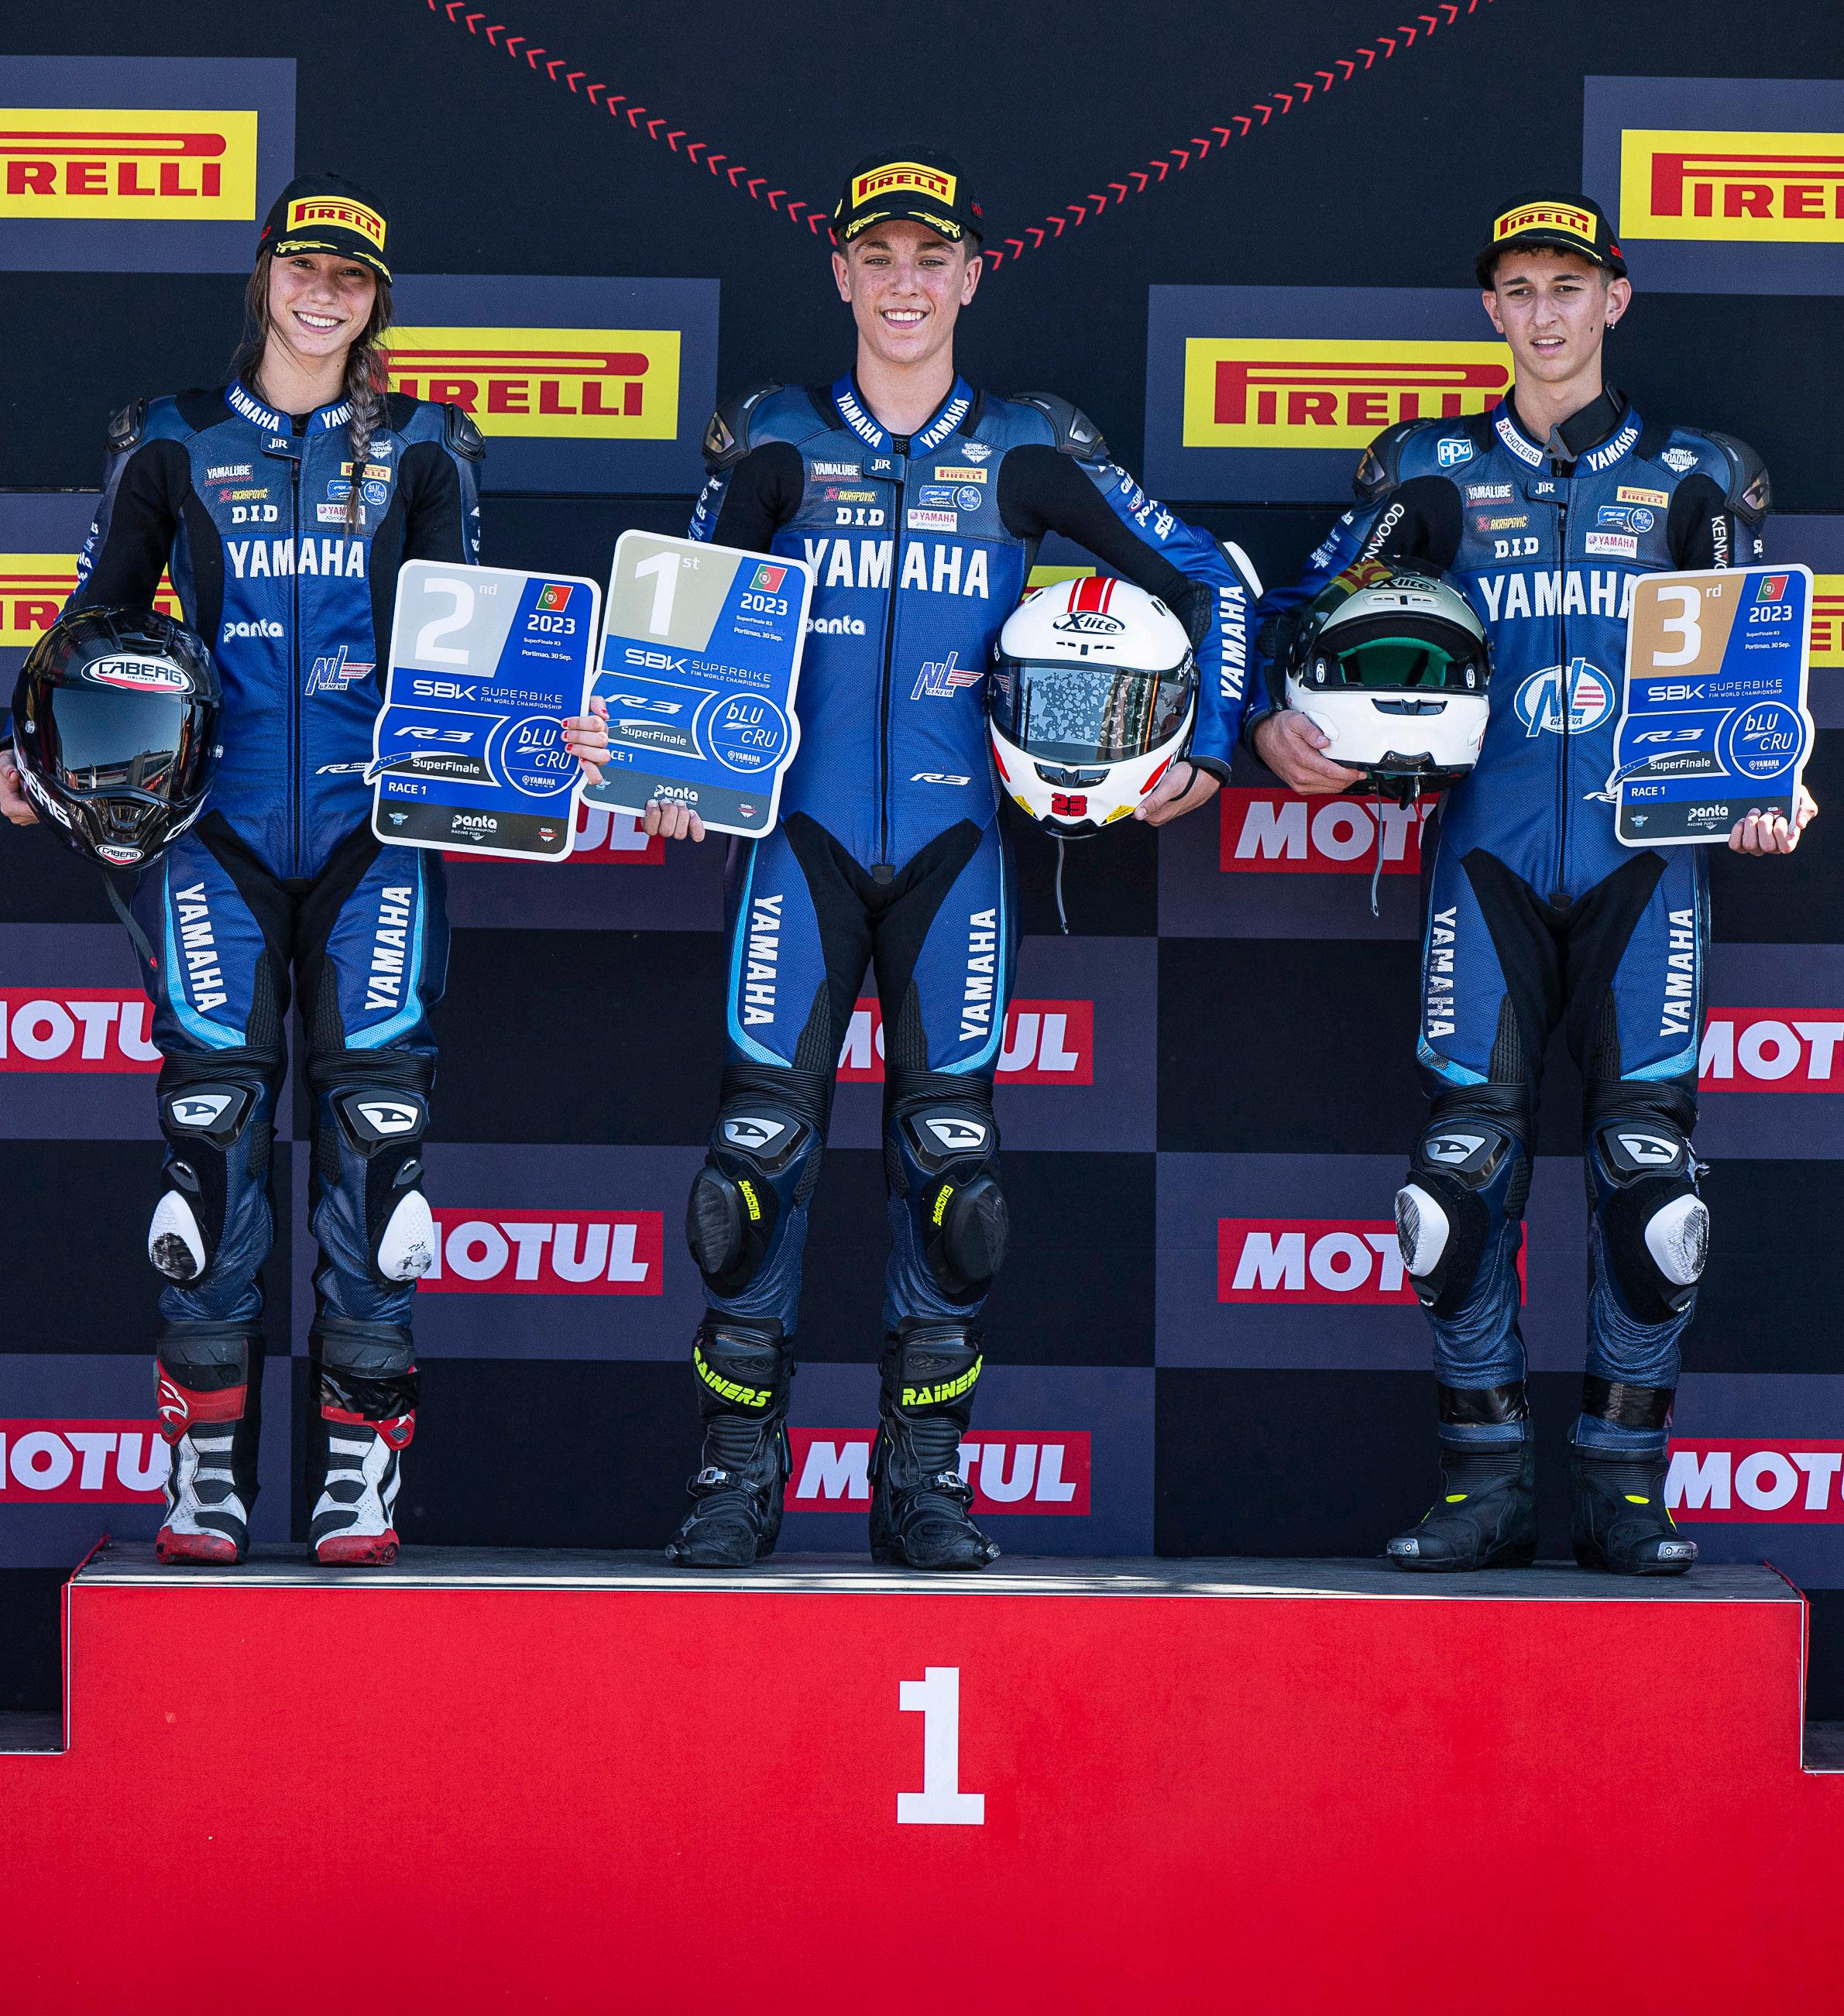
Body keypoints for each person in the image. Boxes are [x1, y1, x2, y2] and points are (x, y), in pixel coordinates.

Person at [657, 149, 1259, 1569]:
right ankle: (735, 1482)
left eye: (931, 260)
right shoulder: (776, 439)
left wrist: (1211, 746)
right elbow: (674, 621)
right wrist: (662, 759)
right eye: (878, 257)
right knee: (748, 1172)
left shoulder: (1027, 447)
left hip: (954, 850)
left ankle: (922, 1486)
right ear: (839, 272)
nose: (904, 283)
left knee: (955, 1176)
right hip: (794, 843)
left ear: (972, 278)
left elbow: (1209, 580)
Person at [0, 172, 610, 1567]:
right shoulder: (174, 438)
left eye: (349, 279)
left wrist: (553, 733)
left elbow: (484, 641)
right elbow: (93, 625)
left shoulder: (427, 448)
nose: (321, 296)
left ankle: (358, 1474)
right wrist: (22, 748)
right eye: (301, 269)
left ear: (375, 302)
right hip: (204, 827)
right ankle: (204, 1475)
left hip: (377, 828)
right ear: (264, 276)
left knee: (378, 1147)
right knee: (209, 1137)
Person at [1245, 191, 1815, 1574]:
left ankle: (1624, 1487)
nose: (1543, 312)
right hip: (1484, 861)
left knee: (1651, 1191)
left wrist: (1776, 782)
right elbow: (1302, 615)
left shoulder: (1693, 477)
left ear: (1613, 300)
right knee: (1453, 1186)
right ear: (1490, 308)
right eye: (1518, 289)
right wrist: (1270, 727)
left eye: (1569, 287)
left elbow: (1752, 670)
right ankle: (1483, 1483)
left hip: (1644, 867)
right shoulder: (1428, 472)